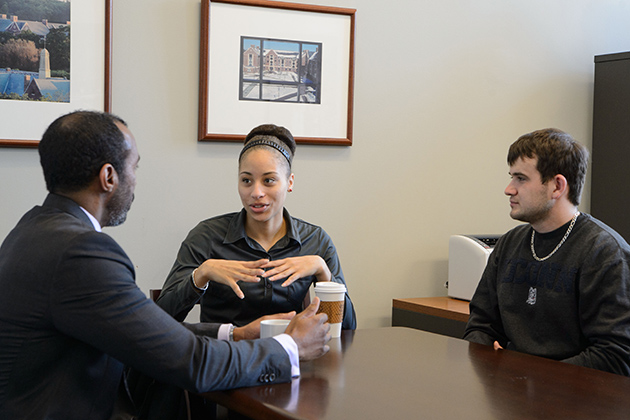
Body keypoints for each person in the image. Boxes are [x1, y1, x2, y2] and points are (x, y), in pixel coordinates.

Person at [0, 111, 331, 420]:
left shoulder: (31, 229)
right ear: (108, 177)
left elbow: (142, 331)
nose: (135, 180)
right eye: (135, 167)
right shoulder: (84, 252)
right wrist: (289, 347)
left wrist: (234, 333)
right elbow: (192, 362)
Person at [156, 124, 357, 330]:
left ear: (290, 182)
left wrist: (323, 272)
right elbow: (160, 318)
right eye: (246, 180)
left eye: (269, 180)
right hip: (224, 355)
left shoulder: (316, 241)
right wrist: (201, 274)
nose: (256, 192)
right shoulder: (206, 237)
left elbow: (349, 328)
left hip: (291, 355)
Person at [463, 128, 630, 376]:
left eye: (521, 178)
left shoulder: (605, 253)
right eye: (512, 177)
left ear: (557, 186)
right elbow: (480, 325)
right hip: (511, 395)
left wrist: (533, 379)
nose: (509, 189)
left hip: (575, 402)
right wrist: (490, 358)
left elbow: (615, 355)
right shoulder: (509, 244)